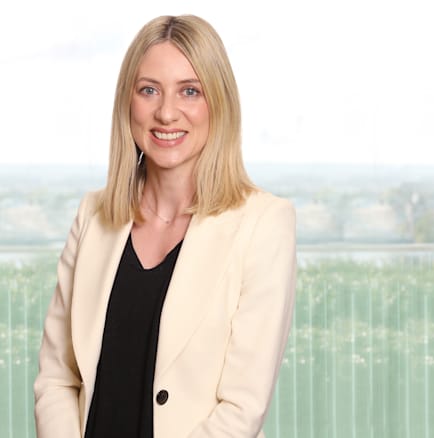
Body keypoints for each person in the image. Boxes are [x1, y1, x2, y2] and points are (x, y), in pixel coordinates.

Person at [34, 14, 296, 438]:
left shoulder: (264, 224)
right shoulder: (93, 215)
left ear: (219, 103)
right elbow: (57, 378)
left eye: (190, 91)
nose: (167, 112)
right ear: (128, 101)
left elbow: (242, 407)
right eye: (149, 90)